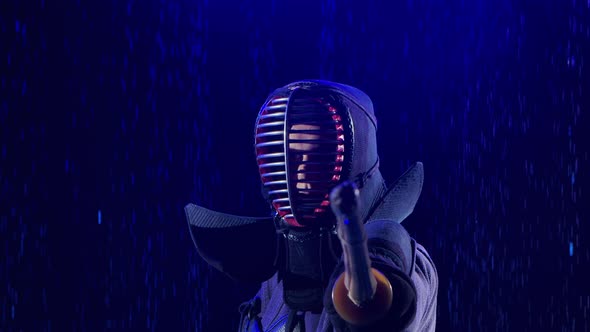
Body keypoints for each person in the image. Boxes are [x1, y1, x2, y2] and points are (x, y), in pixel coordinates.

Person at [185, 80, 438, 331]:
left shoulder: (412, 268)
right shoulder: (276, 284)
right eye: (293, 157)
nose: (301, 173)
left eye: (317, 154)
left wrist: (362, 251)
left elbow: (379, 308)